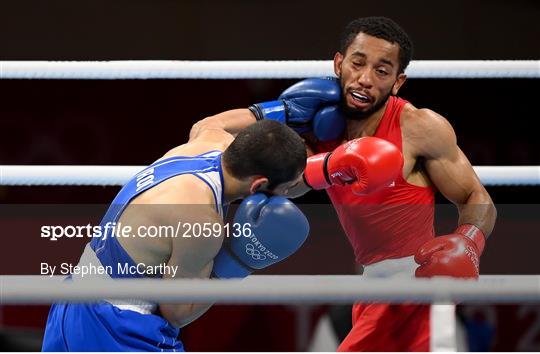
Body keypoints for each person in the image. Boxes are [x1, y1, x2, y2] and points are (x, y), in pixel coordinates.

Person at [194, 16, 497, 351]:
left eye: (382, 71)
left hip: (418, 280)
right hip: (373, 285)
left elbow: (475, 195)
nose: (365, 79)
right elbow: (223, 145)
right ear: (339, 63)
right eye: (358, 63)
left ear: (398, 82)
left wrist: (469, 240)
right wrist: (279, 113)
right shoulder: (321, 128)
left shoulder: (419, 126)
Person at [42, 120, 313, 351]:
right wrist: (238, 263)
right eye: (287, 189)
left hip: (72, 300)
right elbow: (177, 312)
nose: (288, 195)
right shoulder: (202, 223)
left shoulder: (208, 141)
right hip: (119, 323)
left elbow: (209, 121)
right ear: (260, 185)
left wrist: (280, 110)